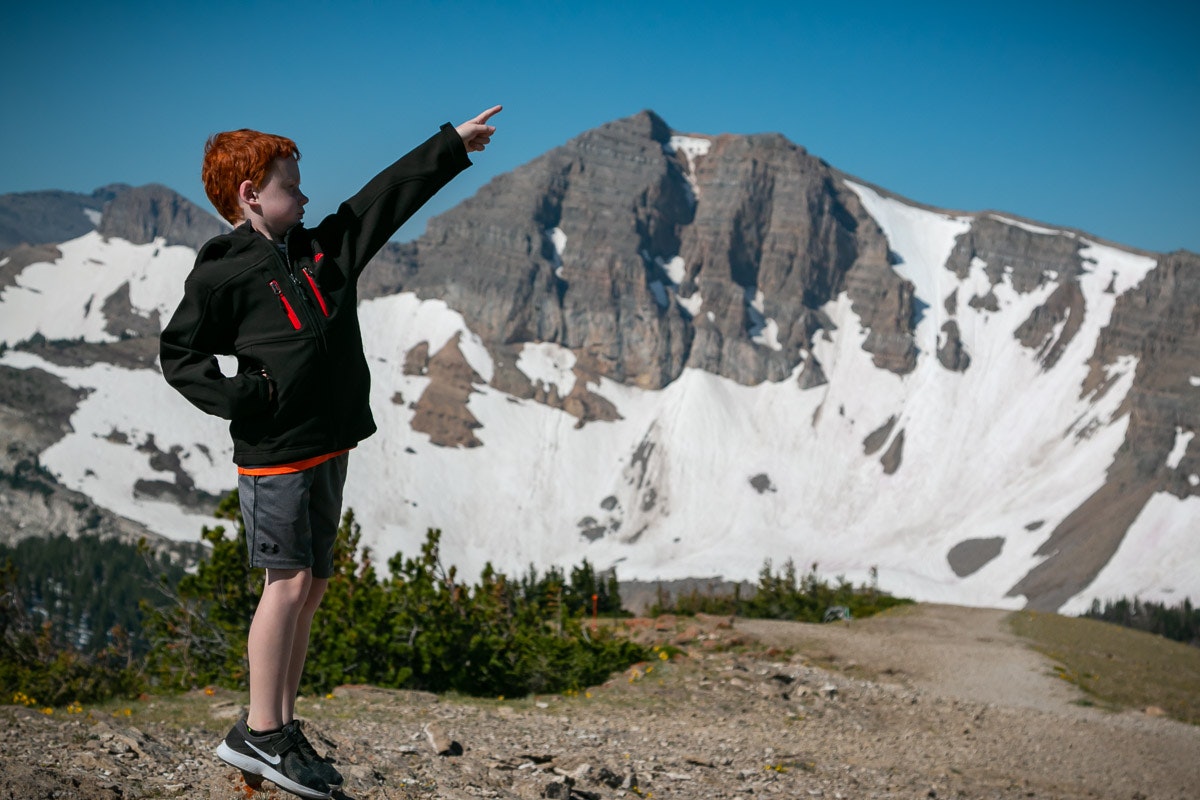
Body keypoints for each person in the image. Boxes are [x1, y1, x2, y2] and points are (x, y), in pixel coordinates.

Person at [159, 105, 501, 799]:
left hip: (329, 445)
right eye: (292, 185)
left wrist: (449, 146)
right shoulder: (222, 273)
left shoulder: (323, 253)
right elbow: (180, 354)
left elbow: (382, 201)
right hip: (277, 453)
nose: (306, 195)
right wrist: (247, 397)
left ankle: (279, 726)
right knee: (284, 586)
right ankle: (257, 733)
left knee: (310, 586)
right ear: (251, 195)